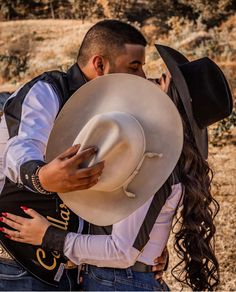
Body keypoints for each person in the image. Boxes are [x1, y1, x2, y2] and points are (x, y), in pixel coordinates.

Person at [1, 45, 232, 291]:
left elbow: (122, 251)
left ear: (174, 97)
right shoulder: (163, 154)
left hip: (118, 281)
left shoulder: (155, 159)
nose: (149, 80)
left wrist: (49, 237)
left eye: (161, 80)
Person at [0, 20, 167, 291]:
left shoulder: (116, 113)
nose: (141, 76)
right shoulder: (48, 90)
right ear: (99, 64)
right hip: (16, 262)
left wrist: (148, 250)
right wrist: (41, 176)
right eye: (134, 66)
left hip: (70, 267)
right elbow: (21, 148)